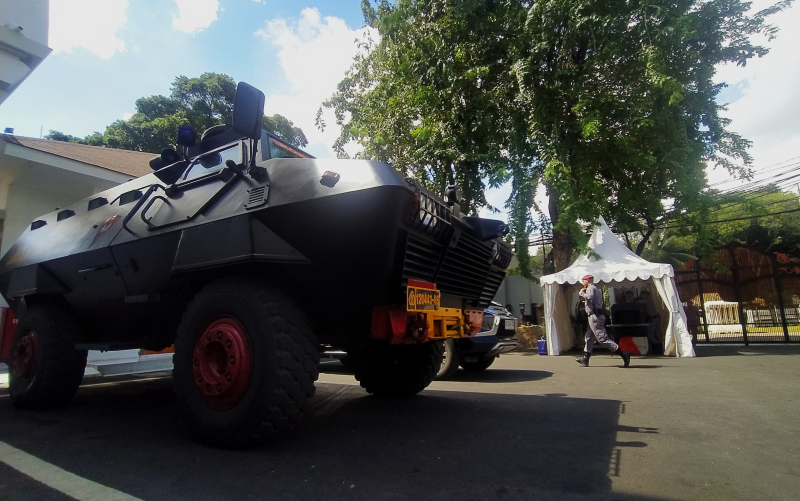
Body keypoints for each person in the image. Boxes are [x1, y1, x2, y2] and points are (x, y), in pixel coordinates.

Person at [576, 275, 631, 368]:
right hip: (593, 316)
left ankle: (623, 353)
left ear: (588, 280)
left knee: (603, 339)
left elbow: (589, 297)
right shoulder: (595, 288)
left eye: (583, 281)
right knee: (588, 338)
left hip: (594, 317)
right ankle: (585, 359)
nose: (582, 283)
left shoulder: (590, 288)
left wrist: (581, 293)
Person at [637, 290, 662, 354]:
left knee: (650, 334)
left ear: (647, 295)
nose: (642, 296)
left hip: (653, 319)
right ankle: (659, 348)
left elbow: (639, 302)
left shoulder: (648, 300)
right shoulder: (651, 300)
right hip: (656, 318)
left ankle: (656, 348)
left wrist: (635, 300)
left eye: (643, 294)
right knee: (656, 334)